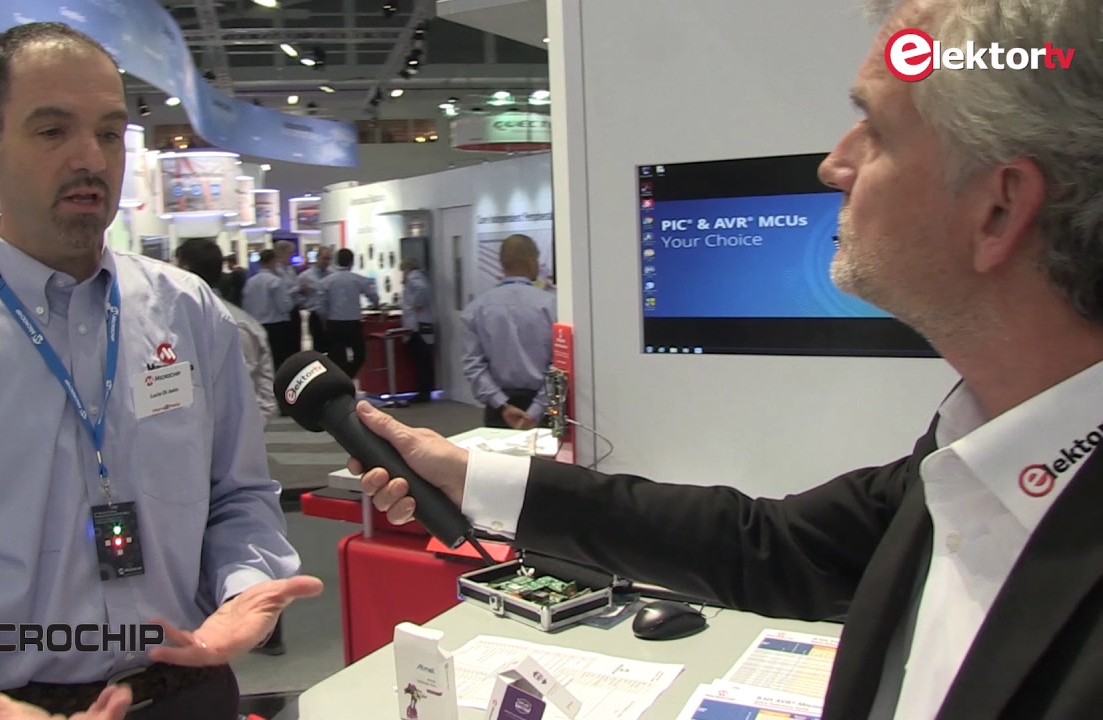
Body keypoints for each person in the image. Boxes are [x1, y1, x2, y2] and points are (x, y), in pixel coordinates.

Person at [348, 1, 1103, 718]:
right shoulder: (964, 451)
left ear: (998, 209)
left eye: (874, 130)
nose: (833, 164)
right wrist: (470, 477)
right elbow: (770, 546)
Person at [0, 23, 322, 720]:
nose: (90, 158)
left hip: (191, 694)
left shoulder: (189, 316)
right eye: (53, 130)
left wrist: (243, 587)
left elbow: (237, 499)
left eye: (109, 133)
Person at [460, 234, 557, 429]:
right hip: (544, 408)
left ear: (502, 263)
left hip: (499, 411)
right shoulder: (552, 305)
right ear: (531, 262)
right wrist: (537, 409)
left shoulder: (476, 309)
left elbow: (473, 365)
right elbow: (559, 364)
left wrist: (502, 404)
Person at [176, 238, 276, 424]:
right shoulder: (243, 323)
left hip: (222, 432)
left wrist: (244, 434)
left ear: (185, 269)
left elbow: (253, 391)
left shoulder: (233, 325)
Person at [315, 248, 378, 379]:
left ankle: (340, 380)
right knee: (360, 355)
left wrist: (324, 322)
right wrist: (375, 303)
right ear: (352, 262)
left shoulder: (326, 281)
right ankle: (348, 376)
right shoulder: (358, 279)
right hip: (353, 323)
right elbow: (373, 296)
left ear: (336, 261)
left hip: (334, 323)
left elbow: (321, 305)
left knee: (337, 357)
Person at [241, 248, 297, 372]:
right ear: (273, 261)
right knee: (278, 361)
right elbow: (284, 307)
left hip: (255, 325)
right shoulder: (275, 281)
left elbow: (246, 306)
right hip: (276, 326)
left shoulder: (250, 282)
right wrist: (292, 300)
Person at [398, 257, 435, 403]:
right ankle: (425, 391)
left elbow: (421, 289)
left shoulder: (414, 278)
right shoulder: (420, 277)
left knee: (420, 360)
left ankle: (423, 391)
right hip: (421, 324)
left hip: (417, 326)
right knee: (424, 360)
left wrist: (416, 303)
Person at [297, 245, 334, 353]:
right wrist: (306, 303)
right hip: (315, 315)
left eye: (328, 259)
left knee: (333, 347)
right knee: (318, 347)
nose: (326, 261)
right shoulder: (305, 276)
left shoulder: (333, 275)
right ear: (317, 258)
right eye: (324, 258)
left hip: (331, 315)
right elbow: (298, 296)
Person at [272, 240, 304, 358]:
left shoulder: (290, 270)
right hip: (283, 312)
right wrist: (297, 289)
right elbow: (282, 293)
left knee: (296, 345)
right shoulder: (276, 272)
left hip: (294, 309)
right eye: (290, 253)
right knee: (286, 346)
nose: (291, 256)